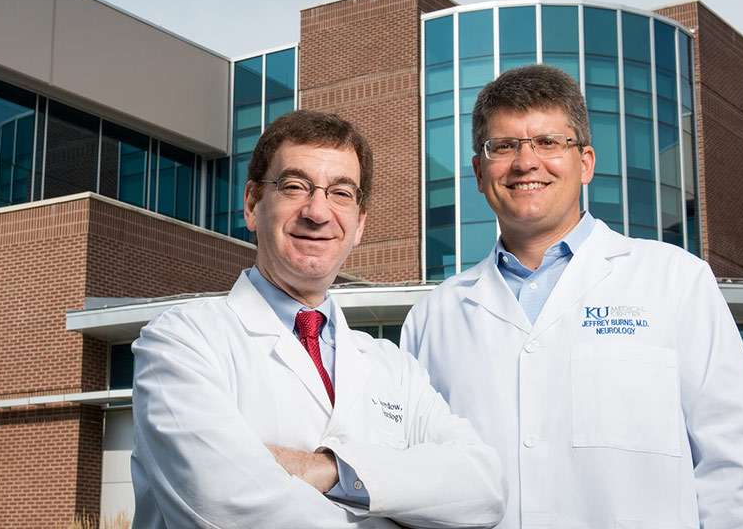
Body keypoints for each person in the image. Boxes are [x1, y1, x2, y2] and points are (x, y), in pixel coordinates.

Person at [401, 65, 743, 529]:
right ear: (480, 171)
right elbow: (414, 480)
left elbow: (739, 472)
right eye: (504, 146)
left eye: (548, 142)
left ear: (585, 162)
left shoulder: (675, 281)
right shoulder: (434, 316)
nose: (526, 162)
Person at [131, 110, 506, 529]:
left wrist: (330, 470)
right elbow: (225, 504)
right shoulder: (181, 341)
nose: (317, 211)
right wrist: (397, 496)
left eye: (341, 194)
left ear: (360, 223)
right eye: (294, 187)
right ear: (253, 204)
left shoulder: (391, 365)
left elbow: (483, 491)